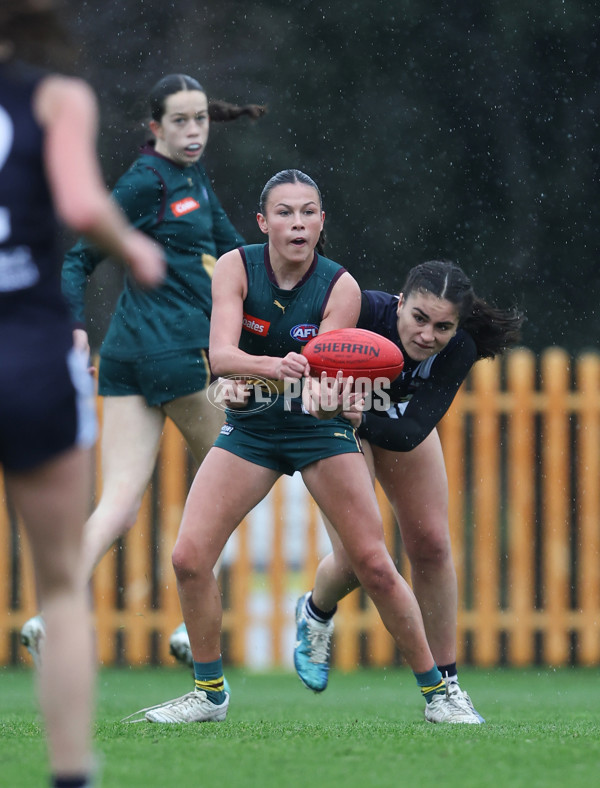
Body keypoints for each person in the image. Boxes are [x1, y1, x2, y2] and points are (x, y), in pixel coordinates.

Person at [125, 170, 481, 725]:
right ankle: (209, 693)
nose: (298, 223)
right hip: (254, 428)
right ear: (263, 222)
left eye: (309, 212)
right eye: (286, 213)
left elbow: (328, 376)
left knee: (374, 563)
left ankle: (440, 695)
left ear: (321, 222)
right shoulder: (234, 267)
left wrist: (321, 394)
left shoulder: (341, 287)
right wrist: (250, 380)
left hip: (322, 430)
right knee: (187, 557)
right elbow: (220, 358)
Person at [20, 72, 266, 665]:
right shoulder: (143, 181)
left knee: (120, 504)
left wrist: (282, 275)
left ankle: (48, 613)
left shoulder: (193, 178)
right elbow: (77, 259)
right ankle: (194, 628)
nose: (193, 130)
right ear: (154, 127)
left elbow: (235, 254)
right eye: (180, 120)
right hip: (174, 356)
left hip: (130, 360)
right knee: (243, 475)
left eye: (201, 118)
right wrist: (73, 325)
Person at [0, 2, 165, 785]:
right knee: (61, 584)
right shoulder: (57, 96)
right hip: (27, 352)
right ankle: (71, 773)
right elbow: (76, 203)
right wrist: (131, 244)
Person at [293, 259, 523, 722]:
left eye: (442, 326)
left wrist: (363, 416)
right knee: (363, 560)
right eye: (418, 318)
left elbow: (412, 429)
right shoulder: (362, 316)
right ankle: (316, 612)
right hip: (337, 426)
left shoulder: (458, 348)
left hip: (390, 425)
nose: (426, 335)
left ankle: (448, 686)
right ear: (399, 303)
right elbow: (301, 357)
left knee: (434, 546)